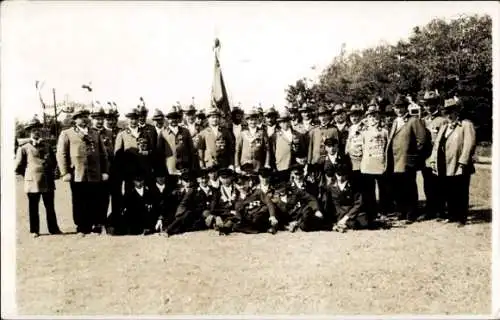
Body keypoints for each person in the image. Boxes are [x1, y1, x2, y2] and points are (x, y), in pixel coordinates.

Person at [56, 106, 109, 236]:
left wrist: (104, 171)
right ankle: (82, 226)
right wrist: (65, 172)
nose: (84, 119)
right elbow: (61, 154)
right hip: (77, 173)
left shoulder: (95, 133)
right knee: (79, 200)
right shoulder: (67, 133)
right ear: (75, 120)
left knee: (95, 199)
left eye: (86, 116)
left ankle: (95, 224)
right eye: (81, 117)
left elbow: (103, 154)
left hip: (95, 173)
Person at [429, 98, 476, 227]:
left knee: (461, 190)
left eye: (452, 111)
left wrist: (463, 161)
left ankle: (462, 217)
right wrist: (433, 160)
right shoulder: (444, 126)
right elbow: (436, 145)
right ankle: (452, 215)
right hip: (445, 163)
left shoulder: (466, 125)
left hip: (459, 163)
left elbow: (469, 144)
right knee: (448, 190)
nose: (449, 115)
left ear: (457, 112)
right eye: (446, 112)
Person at [15, 117, 62, 237]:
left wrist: (52, 172)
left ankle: (54, 229)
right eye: (33, 129)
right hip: (32, 182)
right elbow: (18, 166)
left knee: (50, 206)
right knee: (33, 207)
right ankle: (34, 230)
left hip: (47, 180)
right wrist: (28, 175)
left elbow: (54, 162)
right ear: (29, 132)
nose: (36, 132)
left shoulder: (47, 146)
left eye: (38, 129)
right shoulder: (24, 148)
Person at [385, 94, 428, 223]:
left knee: (409, 187)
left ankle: (411, 212)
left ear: (406, 108)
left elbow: (422, 140)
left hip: (407, 161)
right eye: (397, 107)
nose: (399, 110)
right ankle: (401, 211)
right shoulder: (395, 121)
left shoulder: (413, 121)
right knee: (398, 187)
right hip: (394, 160)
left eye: (401, 107)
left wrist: (414, 156)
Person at [419, 90, 448, 220]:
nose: (429, 107)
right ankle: (430, 209)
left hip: (439, 157)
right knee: (427, 184)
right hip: (426, 157)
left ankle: (440, 210)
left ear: (437, 105)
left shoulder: (442, 121)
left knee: (439, 184)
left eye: (432, 104)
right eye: (426, 104)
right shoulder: (422, 121)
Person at [360, 105, 391, 223]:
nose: (373, 118)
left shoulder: (385, 131)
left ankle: (383, 211)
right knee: (369, 190)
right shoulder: (363, 132)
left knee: (383, 190)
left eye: (375, 115)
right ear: (367, 118)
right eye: (370, 116)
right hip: (368, 163)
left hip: (381, 163)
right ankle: (371, 212)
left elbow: (387, 148)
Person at [166, 169, 217, 236]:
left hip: (208, 214)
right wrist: (179, 214)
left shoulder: (214, 190)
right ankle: (169, 230)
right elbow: (184, 203)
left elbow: (215, 203)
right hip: (196, 214)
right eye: (202, 178)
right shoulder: (194, 190)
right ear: (198, 180)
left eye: (206, 178)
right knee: (187, 215)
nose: (204, 180)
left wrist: (211, 213)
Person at [89, 106, 116, 234]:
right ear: (92, 119)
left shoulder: (109, 133)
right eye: (96, 119)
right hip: (94, 170)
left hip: (108, 169)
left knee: (106, 197)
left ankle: (105, 221)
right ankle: (95, 222)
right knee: (94, 197)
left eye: (101, 119)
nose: (99, 121)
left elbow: (113, 151)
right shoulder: (89, 133)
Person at [232, 168, 279, 234]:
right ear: (235, 185)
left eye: (244, 183)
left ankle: (267, 227)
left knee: (264, 211)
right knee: (238, 223)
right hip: (250, 219)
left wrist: (272, 216)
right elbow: (238, 214)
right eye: (239, 185)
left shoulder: (257, 192)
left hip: (261, 216)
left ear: (248, 182)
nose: (242, 187)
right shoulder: (236, 199)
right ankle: (259, 229)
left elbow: (269, 203)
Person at [325, 163, 366, 233]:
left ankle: (342, 225)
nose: (340, 178)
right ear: (335, 174)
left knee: (364, 220)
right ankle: (340, 225)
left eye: (342, 175)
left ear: (347, 174)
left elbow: (358, 203)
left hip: (351, 214)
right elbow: (328, 204)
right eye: (338, 175)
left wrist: (346, 218)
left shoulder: (354, 186)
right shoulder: (330, 187)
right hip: (338, 214)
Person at [157, 105, 197, 176]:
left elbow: (191, 149)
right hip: (170, 166)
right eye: (171, 118)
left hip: (185, 165)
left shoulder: (185, 131)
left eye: (175, 118)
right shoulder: (163, 133)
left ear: (178, 119)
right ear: (168, 120)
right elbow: (160, 152)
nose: (174, 120)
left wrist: (193, 164)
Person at [272, 109, 308, 183]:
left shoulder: (298, 134)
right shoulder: (275, 136)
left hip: (296, 165)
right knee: (284, 185)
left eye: (288, 121)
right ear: (279, 123)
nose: (285, 123)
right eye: (283, 121)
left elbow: (303, 150)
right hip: (282, 165)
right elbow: (273, 151)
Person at [235, 107, 271, 173]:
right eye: (251, 120)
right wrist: (237, 165)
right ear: (247, 121)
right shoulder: (242, 133)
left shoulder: (262, 133)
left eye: (255, 120)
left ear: (257, 120)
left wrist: (267, 164)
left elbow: (267, 150)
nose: (253, 122)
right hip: (245, 165)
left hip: (258, 165)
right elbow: (238, 150)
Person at [121, 171, 156, 235]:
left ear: (144, 181)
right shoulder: (129, 194)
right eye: (137, 181)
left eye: (141, 180)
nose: (139, 183)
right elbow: (126, 211)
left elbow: (153, 207)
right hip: (135, 227)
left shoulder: (149, 193)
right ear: (133, 181)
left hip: (149, 226)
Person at [209, 168, 240, 235]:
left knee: (236, 219)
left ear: (231, 178)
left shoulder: (237, 190)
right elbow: (212, 209)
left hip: (235, 215)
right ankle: (222, 226)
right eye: (223, 178)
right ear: (219, 178)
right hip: (223, 214)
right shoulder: (217, 192)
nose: (225, 180)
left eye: (227, 178)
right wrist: (221, 214)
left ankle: (226, 227)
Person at [307, 106, 339, 170]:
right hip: (316, 160)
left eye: (324, 115)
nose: (323, 118)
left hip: (329, 160)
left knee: (329, 178)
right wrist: (309, 162)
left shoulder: (333, 130)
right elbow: (310, 147)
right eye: (321, 116)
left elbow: (336, 146)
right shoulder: (314, 130)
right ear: (318, 117)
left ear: (328, 116)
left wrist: (335, 160)